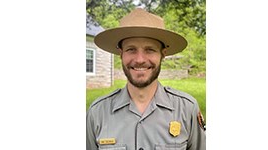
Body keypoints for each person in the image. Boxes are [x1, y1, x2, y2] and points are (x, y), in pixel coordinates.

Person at [86, 8, 206, 150]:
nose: (140, 60)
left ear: (163, 54)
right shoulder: (97, 113)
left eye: (150, 50)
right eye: (131, 49)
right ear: (121, 54)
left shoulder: (187, 109)